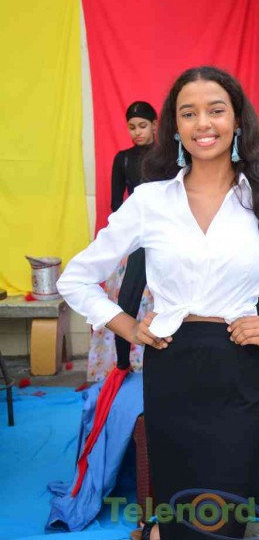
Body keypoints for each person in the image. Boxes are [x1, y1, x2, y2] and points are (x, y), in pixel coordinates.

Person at [57, 66, 259, 540]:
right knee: (180, 505)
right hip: (170, 367)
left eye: (216, 110)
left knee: (221, 518)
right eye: (188, 113)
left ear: (237, 120)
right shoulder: (150, 201)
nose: (203, 123)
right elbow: (75, 279)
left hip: (237, 370)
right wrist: (128, 326)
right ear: (175, 128)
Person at [87, 101, 156, 382]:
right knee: (126, 299)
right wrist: (126, 239)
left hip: (166, 237)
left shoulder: (166, 156)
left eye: (142, 126)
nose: (137, 132)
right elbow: (117, 203)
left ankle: (161, 361)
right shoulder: (124, 159)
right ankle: (123, 366)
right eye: (132, 127)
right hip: (136, 237)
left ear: (155, 125)